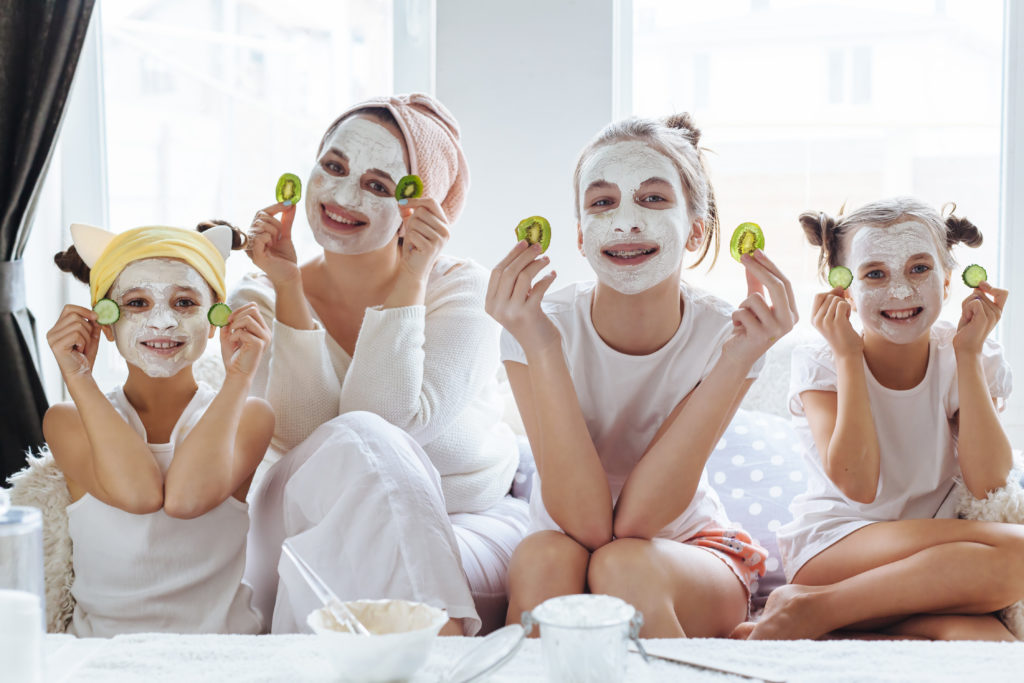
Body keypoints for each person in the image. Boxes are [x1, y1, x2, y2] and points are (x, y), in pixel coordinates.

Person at [487, 113, 798, 637]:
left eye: (653, 199)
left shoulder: (732, 335)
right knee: (545, 556)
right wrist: (541, 345)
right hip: (566, 544)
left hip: (685, 554)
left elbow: (635, 526)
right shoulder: (534, 326)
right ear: (582, 235)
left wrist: (738, 359)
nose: (627, 222)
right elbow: (584, 524)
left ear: (696, 231)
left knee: (622, 563)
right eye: (603, 202)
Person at [231, 93, 525, 635]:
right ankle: (442, 652)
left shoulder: (462, 290)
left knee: (367, 479)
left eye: (377, 186)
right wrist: (290, 287)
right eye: (334, 167)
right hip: (300, 519)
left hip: (463, 522)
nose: (343, 195)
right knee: (357, 451)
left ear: (419, 209)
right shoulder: (260, 291)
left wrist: (412, 278)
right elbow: (306, 434)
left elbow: (391, 425)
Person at [743, 197, 1022, 641]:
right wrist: (848, 355)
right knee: (1020, 554)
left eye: (919, 269)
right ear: (846, 291)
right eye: (875, 274)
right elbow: (859, 484)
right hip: (839, 547)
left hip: (940, 563)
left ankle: (857, 616)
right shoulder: (823, 362)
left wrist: (968, 355)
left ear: (948, 282)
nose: (900, 291)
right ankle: (817, 609)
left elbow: (990, 484)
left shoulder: (969, 352)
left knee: (992, 641)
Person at [45, 221, 272, 636]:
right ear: (105, 324)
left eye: (185, 302)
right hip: (102, 656)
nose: (163, 322)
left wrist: (239, 376)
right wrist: (78, 377)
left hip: (225, 654)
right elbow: (140, 494)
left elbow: (186, 499)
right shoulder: (67, 419)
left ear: (216, 318)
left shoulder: (250, 415)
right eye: (136, 303)